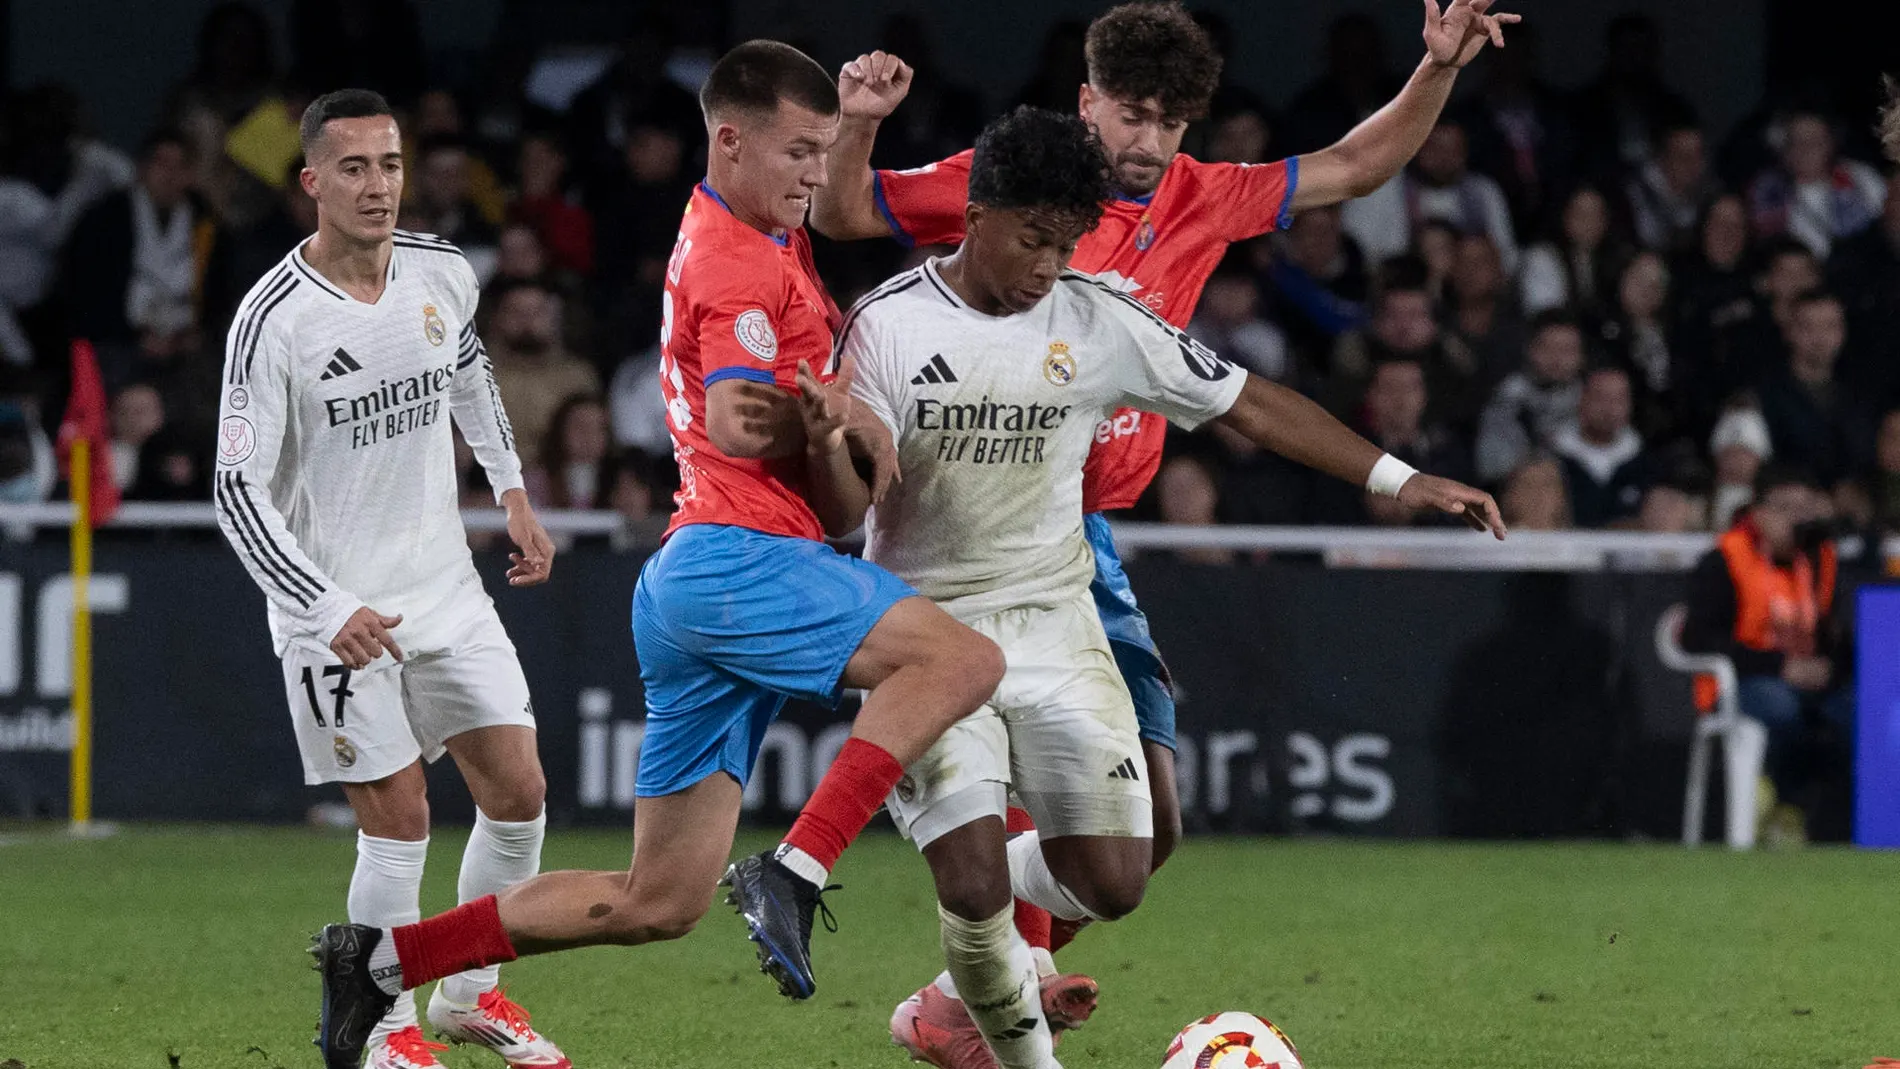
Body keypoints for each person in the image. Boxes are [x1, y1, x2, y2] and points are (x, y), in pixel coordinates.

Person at [805, 0, 1517, 1059]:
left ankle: (969, 986)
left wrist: (1437, 68)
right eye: (1131, 115)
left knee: (1151, 833)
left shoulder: (1202, 196)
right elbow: (846, 211)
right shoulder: (1015, 183)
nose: (1147, 143)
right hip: (959, 534)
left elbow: (1355, 167)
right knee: (993, 797)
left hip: (1078, 535)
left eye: (1171, 123)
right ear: (1087, 101)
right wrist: (859, 121)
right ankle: (1000, 984)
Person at [309, 44, 1008, 1069]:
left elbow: (837, 499)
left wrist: (834, 433)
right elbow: (732, 418)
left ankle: (377, 963)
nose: (816, 173)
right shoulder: (736, 259)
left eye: (823, 151)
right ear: (730, 141)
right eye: (799, 151)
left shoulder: (763, 232)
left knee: (657, 900)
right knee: (963, 660)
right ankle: (798, 867)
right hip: (735, 560)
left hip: (703, 576)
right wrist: (842, 411)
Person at [213, 89, 568, 1069]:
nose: (378, 186)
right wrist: (325, 606)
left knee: (520, 794)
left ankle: (468, 996)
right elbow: (236, 492)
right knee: (400, 818)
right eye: (355, 168)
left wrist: (511, 488)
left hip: (444, 584)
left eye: (391, 163)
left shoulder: (441, 268)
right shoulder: (273, 320)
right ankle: (380, 1026)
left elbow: (467, 369)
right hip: (332, 609)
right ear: (312, 182)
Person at [1681, 466, 1852, 843]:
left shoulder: (1821, 560)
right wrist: (1780, 666)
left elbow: (1838, 633)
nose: (1798, 519)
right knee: (1778, 705)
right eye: (1785, 508)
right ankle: (1773, 802)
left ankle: (1846, 824)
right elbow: (1698, 637)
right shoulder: (1725, 558)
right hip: (1741, 682)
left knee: (1859, 710)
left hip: (1810, 682)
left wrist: (1828, 667)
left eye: (1805, 508)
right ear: (1758, 513)